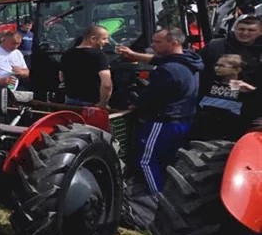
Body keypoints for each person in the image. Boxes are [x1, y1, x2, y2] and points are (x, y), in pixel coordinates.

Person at [118, 28, 203, 222]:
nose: (152, 46)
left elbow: (151, 96)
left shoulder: (168, 70)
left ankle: (155, 203)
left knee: (146, 161)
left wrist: (134, 105)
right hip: (183, 119)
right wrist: (134, 55)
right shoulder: (189, 60)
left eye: (157, 42)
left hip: (163, 121)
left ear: (172, 43)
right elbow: (161, 60)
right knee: (167, 161)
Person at [191, 53, 260, 140]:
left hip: (231, 131)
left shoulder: (244, 88)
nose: (217, 68)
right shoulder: (208, 83)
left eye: (222, 66)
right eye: (216, 65)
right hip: (204, 128)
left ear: (237, 70)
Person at [199, 14, 262, 89]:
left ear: (260, 32)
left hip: (252, 96)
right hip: (216, 94)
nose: (245, 33)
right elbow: (200, 70)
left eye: (251, 30)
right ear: (235, 29)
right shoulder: (215, 46)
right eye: (241, 29)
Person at [58, 25, 112, 108]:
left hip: (70, 102)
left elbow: (61, 77)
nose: (107, 42)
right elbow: (106, 85)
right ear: (93, 39)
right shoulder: (99, 56)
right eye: (104, 38)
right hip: (92, 104)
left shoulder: (67, 54)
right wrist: (102, 103)